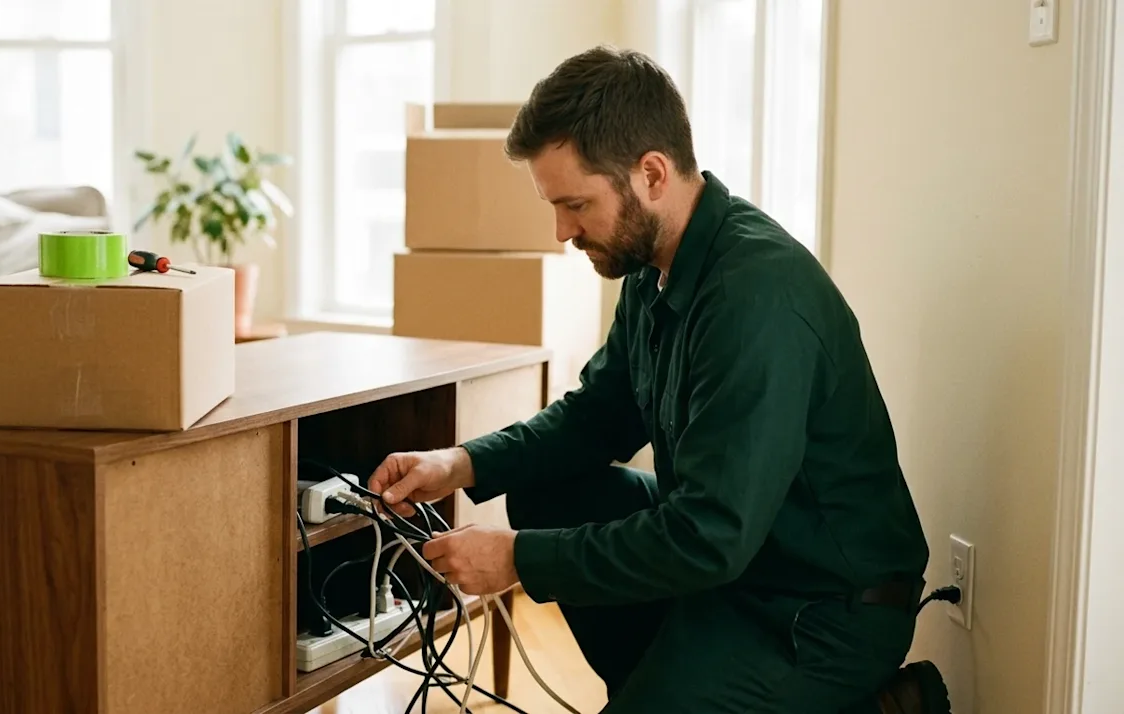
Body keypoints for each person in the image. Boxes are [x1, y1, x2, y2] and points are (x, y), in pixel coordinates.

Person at [368, 45, 950, 714]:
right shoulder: (652, 269)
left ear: (650, 173)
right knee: (548, 491)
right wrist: (460, 462)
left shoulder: (754, 299)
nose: (561, 231)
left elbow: (708, 535)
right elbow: (595, 419)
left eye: (575, 204)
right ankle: (667, 688)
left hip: (818, 611)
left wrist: (519, 561)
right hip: (737, 569)